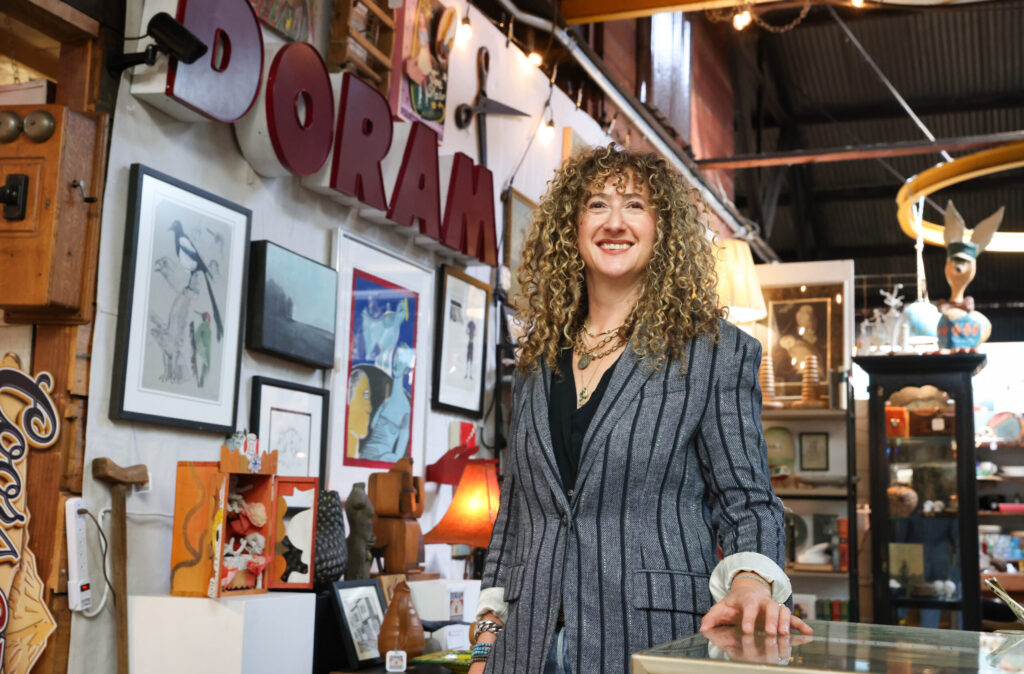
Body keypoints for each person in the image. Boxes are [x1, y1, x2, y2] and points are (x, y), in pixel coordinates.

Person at [468, 145, 811, 674]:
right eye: (597, 204)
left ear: (662, 228)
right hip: (525, 650)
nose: (614, 221)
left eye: (634, 205)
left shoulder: (714, 352)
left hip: (650, 643)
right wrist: (486, 643)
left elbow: (747, 501)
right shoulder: (536, 359)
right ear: (571, 225)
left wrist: (750, 583)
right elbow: (516, 516)